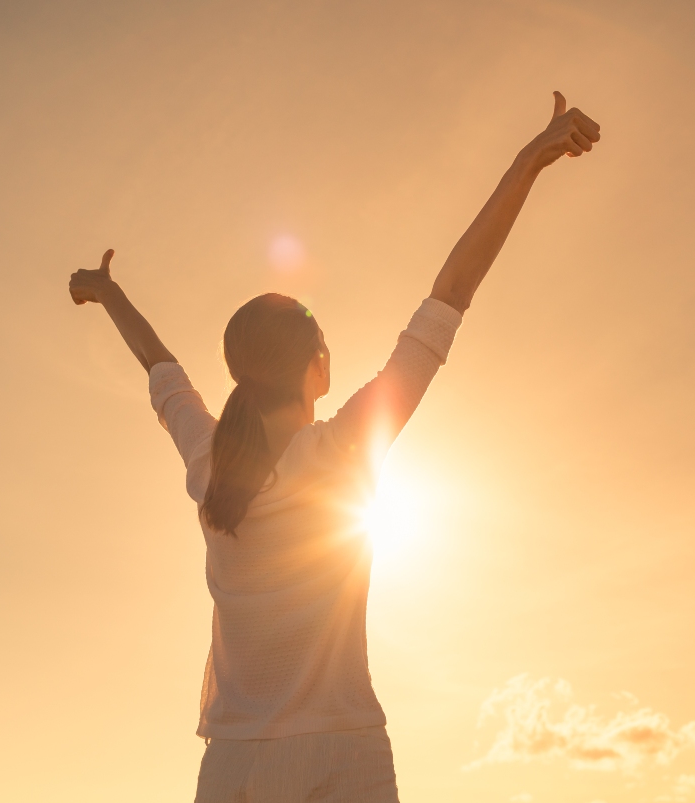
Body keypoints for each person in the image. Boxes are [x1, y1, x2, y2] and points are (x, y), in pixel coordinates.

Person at [69, 91, 600, 803]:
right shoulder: (345, 446)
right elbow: (451, 293)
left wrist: (108, 293)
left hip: (234, 762)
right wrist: (528, 161)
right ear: (316, 366)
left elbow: (161, 366)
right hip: (340, 753)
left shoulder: (210, 460)